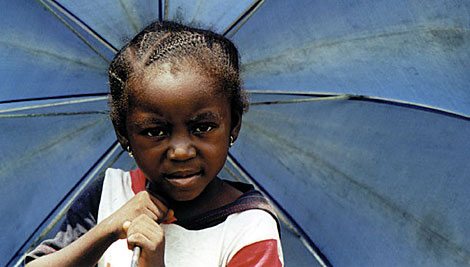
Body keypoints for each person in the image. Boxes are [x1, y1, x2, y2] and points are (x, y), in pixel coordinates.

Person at [25, 21, 283, 267]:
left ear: (234, 123)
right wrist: (109, 228)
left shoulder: (249, 228)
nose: (181, 151)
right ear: (124, 133)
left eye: (202, 127)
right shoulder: (111, 195)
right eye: (155, 131)